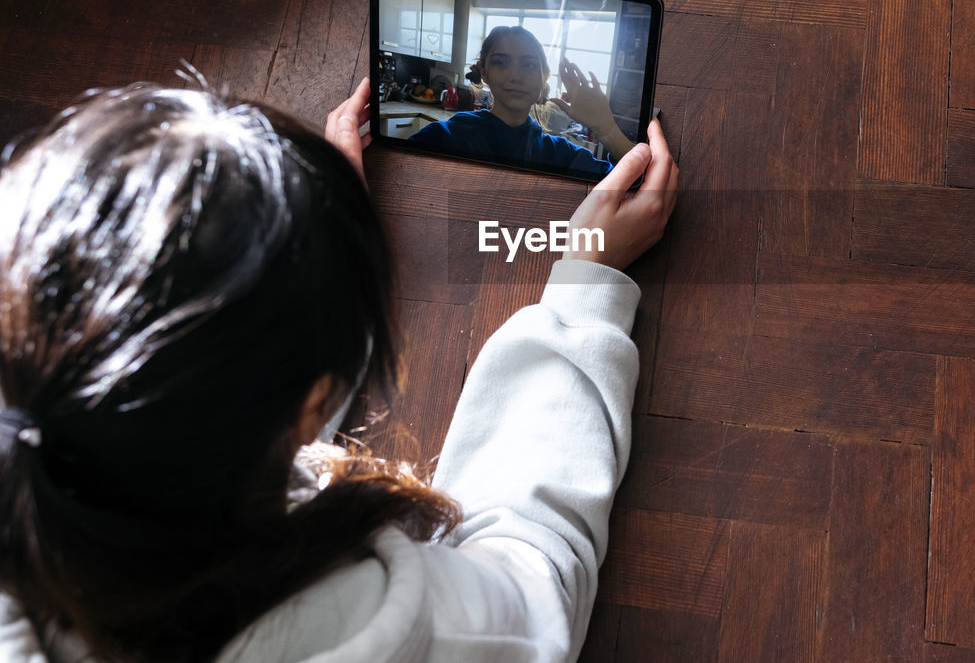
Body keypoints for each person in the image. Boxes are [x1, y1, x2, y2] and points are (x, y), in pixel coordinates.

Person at [0, 69, 678, 661]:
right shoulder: (376, 630)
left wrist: (300, 258)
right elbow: (532, 593)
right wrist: (584, 276)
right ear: (309, 407)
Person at [407, 26, 635, 178]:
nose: (515, 76)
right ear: (484, 72)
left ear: (543, 76)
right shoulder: (447, 135)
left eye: (528, 65)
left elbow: (643, 184)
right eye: (501, 63)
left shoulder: (561, 155)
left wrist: (606, 127)